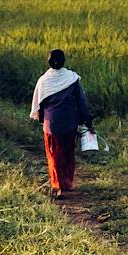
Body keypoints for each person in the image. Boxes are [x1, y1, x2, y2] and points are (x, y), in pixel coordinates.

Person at [29, 49, 94, 198]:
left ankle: (58, 186)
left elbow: (39, 104)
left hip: (51, 124)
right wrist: (87, 120)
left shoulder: (43, 81)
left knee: (54, 155)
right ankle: (66, 183)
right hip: (70, 123)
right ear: (64, 61)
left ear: (49, 62)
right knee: (67, 153)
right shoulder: (72, 79)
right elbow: (81, 102)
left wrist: (42, 120)